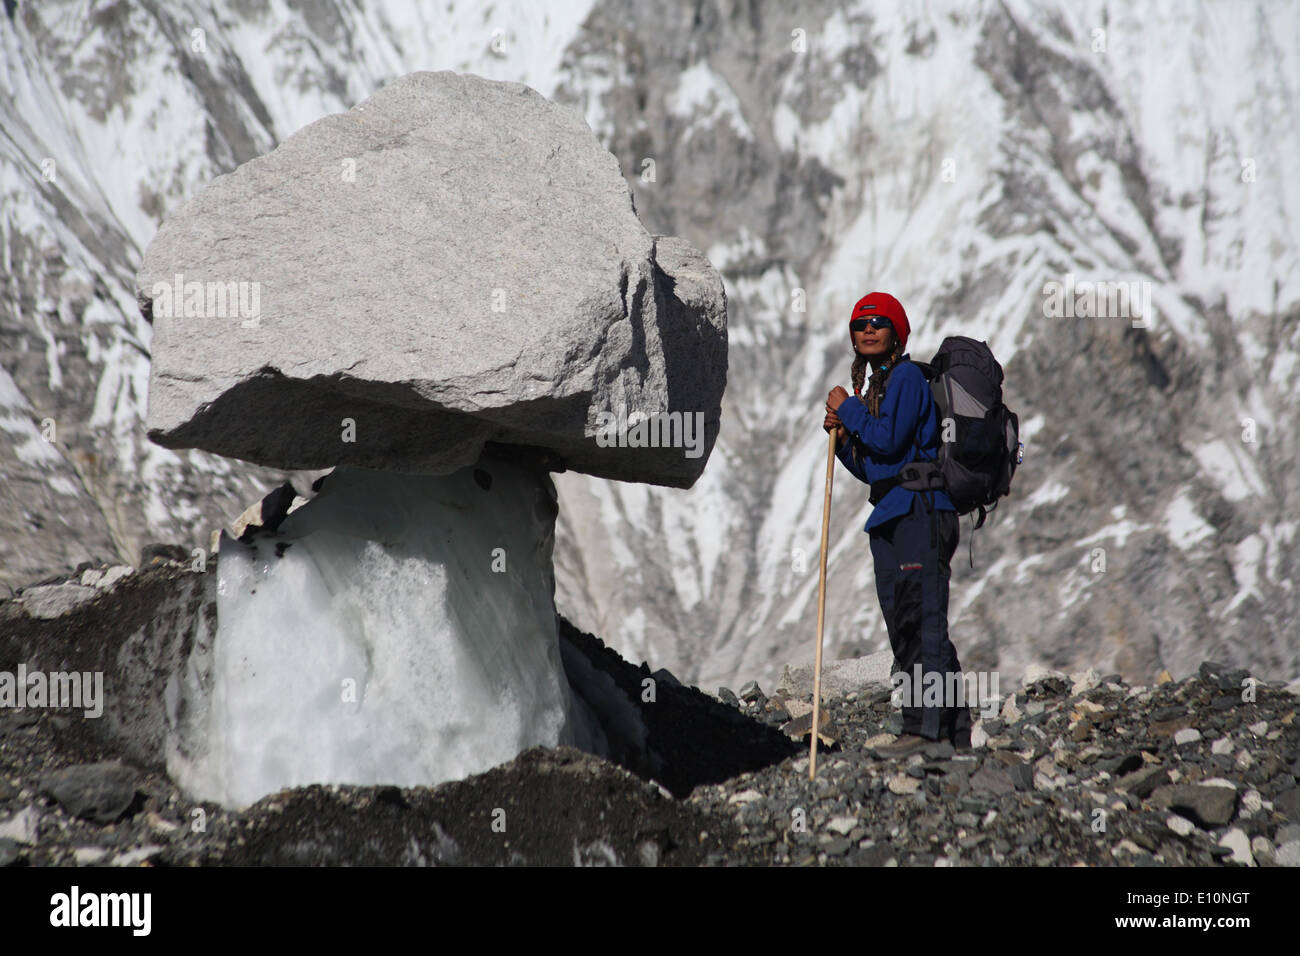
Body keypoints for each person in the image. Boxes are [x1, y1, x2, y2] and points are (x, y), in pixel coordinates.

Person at [823, 291, 973, 757]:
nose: (867, 329)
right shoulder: (879, 391)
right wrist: (846, 441)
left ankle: (924, 732)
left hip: (920, 512)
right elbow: (877, 468)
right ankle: (952, 733)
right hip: (894, 511)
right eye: (859, 323)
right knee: (908, 622)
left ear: (896, 334)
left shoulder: (906, 376)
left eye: (878, 323)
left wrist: (847, 408)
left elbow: (887, 441)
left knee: (921, 619)